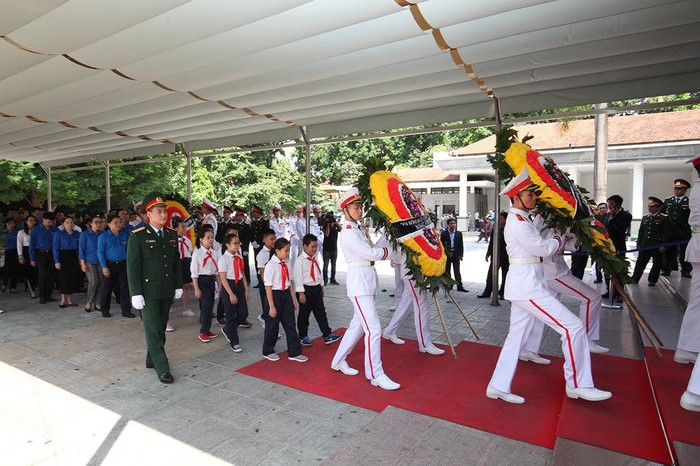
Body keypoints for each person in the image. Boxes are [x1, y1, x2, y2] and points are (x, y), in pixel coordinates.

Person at [486, 169, 611, 404]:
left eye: (533, 194)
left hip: (528, 283)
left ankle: (498, 385)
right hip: (527, 287)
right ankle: (579, 384)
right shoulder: (518, 222)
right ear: (515, 197)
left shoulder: (523, 219)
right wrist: (560, 237)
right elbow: (543, 249)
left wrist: (559, 236)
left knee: (516, 338)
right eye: (530, 194)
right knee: (573, 327)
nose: (534, 198)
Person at [330, 187, 398, 390]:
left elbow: (374, 247)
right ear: (345, 209)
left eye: (360, 206)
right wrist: (391, 251)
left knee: (357, 325)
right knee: (374, 328)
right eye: (355, 207)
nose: (360, 210)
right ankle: (376, 374)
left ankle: (338, 360)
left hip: (367, 280)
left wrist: (390, 233)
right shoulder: (349, 232)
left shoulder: (358, 228)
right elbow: (370, 252)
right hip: (359, 283)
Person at [127, 193, 183, 384]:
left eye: (164, 210)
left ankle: (151, 359)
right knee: (152, 328)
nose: (163, 214)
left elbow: (175, 263)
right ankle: (162, 367)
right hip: (148, 292)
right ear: (148, 214)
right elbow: (133, 268)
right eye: (158, 211)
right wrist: (135, 293)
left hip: (166, 290)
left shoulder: (171, 235)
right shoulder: (138, 237)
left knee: (160, 327)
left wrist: (177, 285)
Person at [382, 249, 445, 355]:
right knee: (422, 304)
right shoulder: (404, 232)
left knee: (406, 302)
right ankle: (425, 344)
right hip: (411, 271)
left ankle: (390, 331)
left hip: (416, 269)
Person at [263, 237, 307, 362]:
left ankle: (294, 352)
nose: (288, 253)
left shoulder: (286, 263)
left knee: (290, 324)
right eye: (286, 251)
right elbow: (268, 287)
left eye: (289, 250)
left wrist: (293, 299)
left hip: (286, 294)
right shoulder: (271, 265)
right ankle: (268, 350)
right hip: (274, 295)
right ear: (277, 251)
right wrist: (271, 306)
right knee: (273, 326)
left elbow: (289, 282)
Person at [293, 233, 341, 347]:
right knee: (304, 314)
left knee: (321, 312)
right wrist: (301, 293)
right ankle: (303, 336)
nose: (314, 249)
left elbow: (318, 273)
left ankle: (327, 334)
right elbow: (297, 277)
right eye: (312, 246)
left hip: (316, 289)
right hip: (305, 289)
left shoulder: (315, 259)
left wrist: (321, 286)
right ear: (305, 246)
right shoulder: (300, 260)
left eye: (316, 246)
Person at [675, 158, 700, 367]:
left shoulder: (696, 190)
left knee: (697, 301)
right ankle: (688, 348)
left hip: (696, 242)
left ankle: (687, 348)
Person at [218, 233, 250, 353]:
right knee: (230, 315)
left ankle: (228, 329)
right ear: (227, 245)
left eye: (238, 243)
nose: (238, 245)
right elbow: (223, 278)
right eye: (235, 243)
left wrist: (246, 289)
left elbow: (243, 274)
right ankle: (234, 341)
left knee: (243, 313)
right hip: (229, 287)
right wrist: (231, 294)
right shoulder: (224, 259)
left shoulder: (239, 257)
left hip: (239, 285)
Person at [97, 215, 134, 318]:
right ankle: (105, 309)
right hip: (109, 265)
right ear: (109, 224)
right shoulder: (103, 237)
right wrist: (104, 267)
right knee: (107, 288)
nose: (118, 224)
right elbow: (100, 252)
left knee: (124, 288)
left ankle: (126, 310)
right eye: (115, 222)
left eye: (119, 222)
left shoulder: (125, 235)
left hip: (123, 264)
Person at [191, 229, 220, 343]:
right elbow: (194, 273)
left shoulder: (215, 253)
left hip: (211, 280)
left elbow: (217, 271)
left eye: (212, 237)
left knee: (210, 305)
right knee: (206, 306)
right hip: (202, 280)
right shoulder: (197, 254)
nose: (211, 240)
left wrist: (220, 285)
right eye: (208, 237)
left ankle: (207, 329)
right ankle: (203, 331)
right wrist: (196, 288)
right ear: (201, 240)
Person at [632, 197, 670, 286]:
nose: (649, 208)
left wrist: (664, 245)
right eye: (649, 206)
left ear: (658, 207)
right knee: (640, 262)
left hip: (657, 245)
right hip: (645, 244)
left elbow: (666, 233)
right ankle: (635, 278)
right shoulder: (645, 217)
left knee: (656, 263)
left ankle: (652, 279)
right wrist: (638, 243)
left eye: (652, 206)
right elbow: (641, 231)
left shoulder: (663, 218)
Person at [602, 195, 632, 302]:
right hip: (607, 247)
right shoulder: (607, 215)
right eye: (609, 203)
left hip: (618, 247)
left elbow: (619, 229)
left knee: (618, 271)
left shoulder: (626, 215)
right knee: (607, 269)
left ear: (618, 204)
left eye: (612, 204)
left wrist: (614, 217)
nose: (610, 206)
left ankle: (619, 293)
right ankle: (609, 291)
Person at [661, 178, 693, 278]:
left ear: (684, 190)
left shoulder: (689, 202)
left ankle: (685, 270)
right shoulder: (668, 201)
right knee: (669, 252)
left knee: (684, 252)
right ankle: (667, 268)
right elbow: (662, 214)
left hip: (683, 231)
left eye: (679, 189)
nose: (676, 191)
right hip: (670, 231)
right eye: (675, 188)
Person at [477, 212, 509, 299]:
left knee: (505, 275)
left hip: (507, 257)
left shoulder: (510, 230)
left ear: (506, 219)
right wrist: (488, 253)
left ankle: (503, 293)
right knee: (491, 274)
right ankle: (487, 292)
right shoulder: (496, 229)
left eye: (501, 218)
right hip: (496, 256)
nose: (499, 220)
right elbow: (491, 243)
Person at [29, 212, 58, 304]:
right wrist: (32, 258)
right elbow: (32, 245)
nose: (51, 223)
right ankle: (42, 296)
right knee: (42, 275)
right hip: (41, 254)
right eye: (49, 221)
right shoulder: (35, 230)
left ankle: (49, 295)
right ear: (43, 220)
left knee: (51, 275)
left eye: (52, 221)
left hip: (52, 254)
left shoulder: (55, 229)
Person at [53, 216, 81, 308]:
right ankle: (63, 300)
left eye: (71, 222)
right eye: (67, 222)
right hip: (63, 256)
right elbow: (55, 248)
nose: (70, 224)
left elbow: (80, 248)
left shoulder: (78, 234)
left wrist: (80, 259)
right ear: (63, 224)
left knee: (72, 277)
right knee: (63, 278)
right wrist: (57, 261)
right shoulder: (58, 234)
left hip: (74, 256)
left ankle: (69, 300)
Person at [79, 216, 104, 312]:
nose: (98, 224)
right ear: (90, 223)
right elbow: (81, 249)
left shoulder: (103, 234)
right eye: (96, 222)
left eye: (100, 222)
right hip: (89, 261)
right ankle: (89, 302)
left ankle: (98, 302)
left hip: (101, 261)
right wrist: (82, 263)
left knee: (101, 282)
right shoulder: (84, 234)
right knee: (93, 282)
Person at [255, 228, 277, 329]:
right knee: (266, 302)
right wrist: (265, 284)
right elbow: (262, 271)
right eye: (271, 239)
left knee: (272, 302)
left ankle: (266, 317)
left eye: (275, 239)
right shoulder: (262, 254)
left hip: (274, 281)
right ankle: (267, 322)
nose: (274, 241)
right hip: (265, 281)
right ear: (264, 240)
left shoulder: (276, 251)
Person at [173, 219, 195, 317]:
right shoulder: (172, 240)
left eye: (185, 226)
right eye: (182, 226)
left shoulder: (187, 240)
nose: (184, 228)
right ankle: (168, 307)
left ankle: (186, 308)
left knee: (186, 286)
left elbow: (189, 253)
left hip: (185, 263)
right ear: (176, 228)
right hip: (176, 263)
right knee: (172, 286)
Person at [440, 218, 467, 292]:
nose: (453, 225)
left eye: (454, 223)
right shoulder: (444, 233)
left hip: (456, 254)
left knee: (457, 271)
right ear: (448, 225)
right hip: (447, 254)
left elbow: (461, 244)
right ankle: (449, 284)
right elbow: (441, 245)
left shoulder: (459, 234)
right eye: (451, 223)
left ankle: (459, 286)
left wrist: (461, 255)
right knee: (447, 270)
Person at [17, 214, 38, 299]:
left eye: (34, 220)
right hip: (26, 251)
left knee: (37, 272)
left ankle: (34, 286)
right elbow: (19, 244)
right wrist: (20, 256)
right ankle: (32, 291)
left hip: (37, 251)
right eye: (30, 220)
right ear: (26, 222)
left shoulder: (37, 231)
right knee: (29, 272)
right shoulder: (21, 232)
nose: (32, 222)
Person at [250, 205, 269, 288]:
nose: (253, 214)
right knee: (257, 262)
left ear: (259, 213)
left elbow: (265, 233)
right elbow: (251, 233)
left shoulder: (264, 222)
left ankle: (264, 279)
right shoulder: (253, 222)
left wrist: (260, 242)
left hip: (262, 245)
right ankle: (259, 280)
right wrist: (252, 241)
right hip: (255, 245)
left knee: (264, 262)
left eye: (255, 213)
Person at [322, 212, 341, 285]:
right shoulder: (325, 225)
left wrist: (335, 223)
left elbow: (341, 229)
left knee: (334, 265)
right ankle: (325, 280)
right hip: (326, 248)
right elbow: (326, 234)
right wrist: (328, 224)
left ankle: (333, 279)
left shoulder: (335, 226)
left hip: (334, 248)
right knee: (325, 265)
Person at [3, 218, 20, 294]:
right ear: (6, 224)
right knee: (7, 269)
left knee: (15, 270)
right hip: (5, 252)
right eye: (9, 224)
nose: (11, 225)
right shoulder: (3, 233)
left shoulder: (17, 233)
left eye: (13, 223)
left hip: (16, 252)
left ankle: (13, 287)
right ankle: (4, 283)